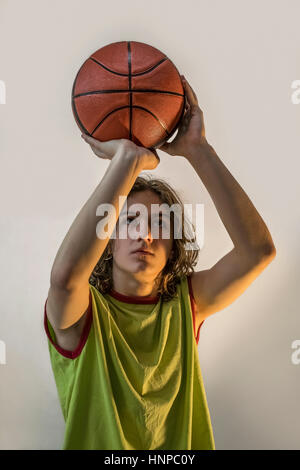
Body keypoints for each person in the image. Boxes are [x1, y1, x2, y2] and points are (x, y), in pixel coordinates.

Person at [43, 76, 276, 450]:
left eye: (157, 224)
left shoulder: (186, 303)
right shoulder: (84, 313)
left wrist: (198, 149)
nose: (144, 234)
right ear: (107, 239)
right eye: (129, 221)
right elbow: (65, 277)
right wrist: (126, 163)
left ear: (172, 246)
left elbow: (258, 252)